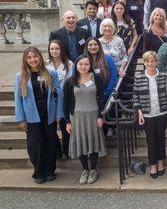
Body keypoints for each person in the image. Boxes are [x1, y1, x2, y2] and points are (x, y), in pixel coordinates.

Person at [14, 47, 63, 184]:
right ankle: (39, 171)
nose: (33, 60)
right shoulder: (20, 76)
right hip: (31, 116)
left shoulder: (50, 73)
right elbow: (18, 99)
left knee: (50, 142)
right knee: (35, 145)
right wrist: (21, 119)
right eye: (29, 58)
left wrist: (59, 113)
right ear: (25, 60)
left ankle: (50, 170)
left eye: (35, 56)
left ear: (40, 57)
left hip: (49, 114)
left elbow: (59, 94)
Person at [63, 55, 106, 184]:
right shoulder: (70, 81)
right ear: (76, 65)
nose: (83, 67)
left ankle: (93, 169)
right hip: (77, 117)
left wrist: (100, 115)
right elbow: (65, 103)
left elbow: (102, 98)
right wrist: (67, 122)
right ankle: (85, 170)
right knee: (81, 142)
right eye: (80, 64)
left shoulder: (96, 78)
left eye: (86, 64)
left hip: (93, 116)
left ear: (90, 65)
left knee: (93, 142)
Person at [132, 51, 167, 179]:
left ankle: (160, 162)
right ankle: (153, 164)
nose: (150, 63)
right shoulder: (139, 77)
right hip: (147, 114)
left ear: (156, 62)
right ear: (144, 62)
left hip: (162, 112)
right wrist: (140, 112)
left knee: (161, 138)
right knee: (151, 140)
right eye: (147, 61)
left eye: (152, 61)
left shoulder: (164, 75)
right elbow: (135, 97)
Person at [46, 40, 74, 160]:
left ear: (61, 50)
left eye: (57, 48)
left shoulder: (69, 64)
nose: (54, 51)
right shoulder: (46, 64)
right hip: (50, 99)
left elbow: (71, 82)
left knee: (64, 126)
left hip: (64, 98)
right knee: (51, 127)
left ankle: (66, 150)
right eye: (52, 49)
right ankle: (57, 150)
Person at [83, 37, 117, 102]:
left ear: (99, 46)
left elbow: (113, 76)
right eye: (90, 45)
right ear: (86, 47)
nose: (93, 47)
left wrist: (106, 93)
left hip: (105, 95)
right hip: (86, 96)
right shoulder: (81, 60)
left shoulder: (108, 59)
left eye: (95, 44)